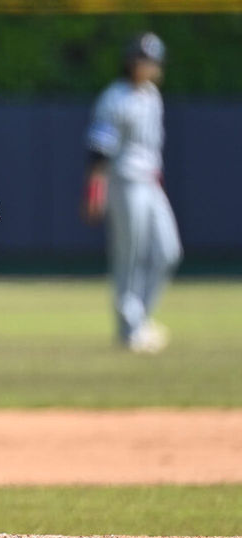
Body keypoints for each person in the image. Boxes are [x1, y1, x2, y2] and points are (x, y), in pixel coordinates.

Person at [82, 32, 182, 353]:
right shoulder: (116, 97)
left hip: (150, 183)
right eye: (143, 59)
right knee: (130, 257)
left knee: (168, 251)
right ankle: (129, 328)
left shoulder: (152, 95)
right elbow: (99, 150)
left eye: (152, 60)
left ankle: (141, 318)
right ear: (131, 61)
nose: (147, 66)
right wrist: (95, 191)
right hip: (123, 182)